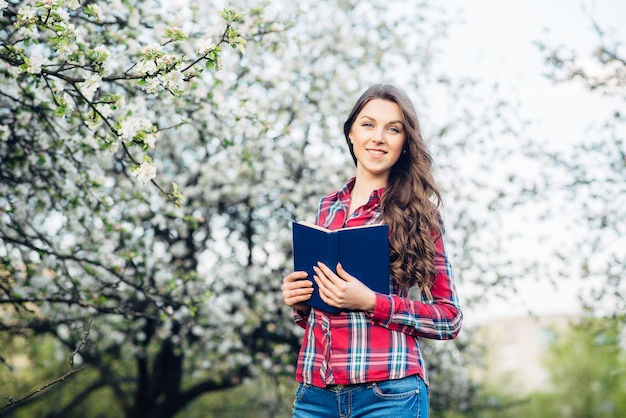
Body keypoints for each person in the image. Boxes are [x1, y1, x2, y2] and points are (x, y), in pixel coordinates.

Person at [281, 84, 462, 417]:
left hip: (389, 394)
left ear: (404, 143)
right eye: (368, 124)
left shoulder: (420, 214)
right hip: (315, 395)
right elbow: (321, 317)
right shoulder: (327, 208)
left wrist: (371, 302)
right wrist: (300, 299)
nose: (378, 137)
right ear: (351, 133)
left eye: (392, 129)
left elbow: (448, 319)